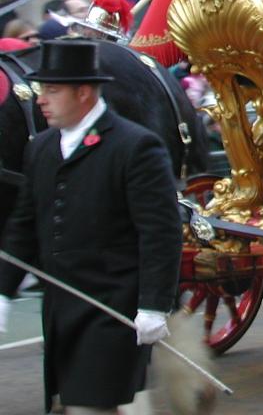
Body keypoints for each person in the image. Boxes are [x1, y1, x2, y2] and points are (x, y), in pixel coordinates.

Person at [0, 39, 182, 414]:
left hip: (114, 310)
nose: (40, 100)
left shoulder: (136, 147)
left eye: (52, 91)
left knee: (91, 406)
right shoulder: (41, 148)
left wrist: (154, 305)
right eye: (41, 90)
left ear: (83, 93)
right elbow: (23, 226)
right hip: (60, 314)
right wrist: (2, 291)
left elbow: (160, 234)